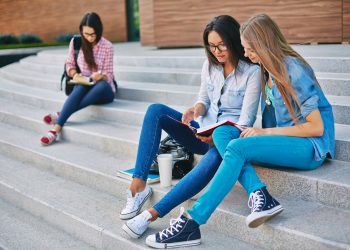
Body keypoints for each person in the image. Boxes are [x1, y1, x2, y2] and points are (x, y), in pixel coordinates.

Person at [144, 13, 335, 248]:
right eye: (244, 49)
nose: (245, 54)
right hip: (286, 139)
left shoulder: (292, 70)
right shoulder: (267, 71)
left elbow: (316, 128)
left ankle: (192, 222)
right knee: (222, 134)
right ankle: (260, 194)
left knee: (236, 147)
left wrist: (264, 133)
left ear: (264, 45)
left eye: (250, 49)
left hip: (310, 147)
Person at [120, 15, 261, 247]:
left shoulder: (252, 72)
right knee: (156, 111)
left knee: (218, 153)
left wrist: (216, 135)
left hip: (228, 137)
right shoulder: (209, 65)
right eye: (212, 46)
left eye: (221, 45)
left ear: (234, 40)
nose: (216, 51)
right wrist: (195, 110)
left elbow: (246, 121)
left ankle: (151, 214)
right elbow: (203, 100)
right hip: (201, 131)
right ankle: (138, 188)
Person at [40, 12, 115, 145]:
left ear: (99, 31)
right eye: (85, 34)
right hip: (84, 84)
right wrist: (75, 75)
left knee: (101, 85)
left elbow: (109, 75)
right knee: (80, 86)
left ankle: (60, 115)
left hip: (103, 91)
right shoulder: (76, 42)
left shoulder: (107, 46)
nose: (89, 38)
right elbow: (69, 64)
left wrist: (101, 76)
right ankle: (55, 130)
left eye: (92, 34)